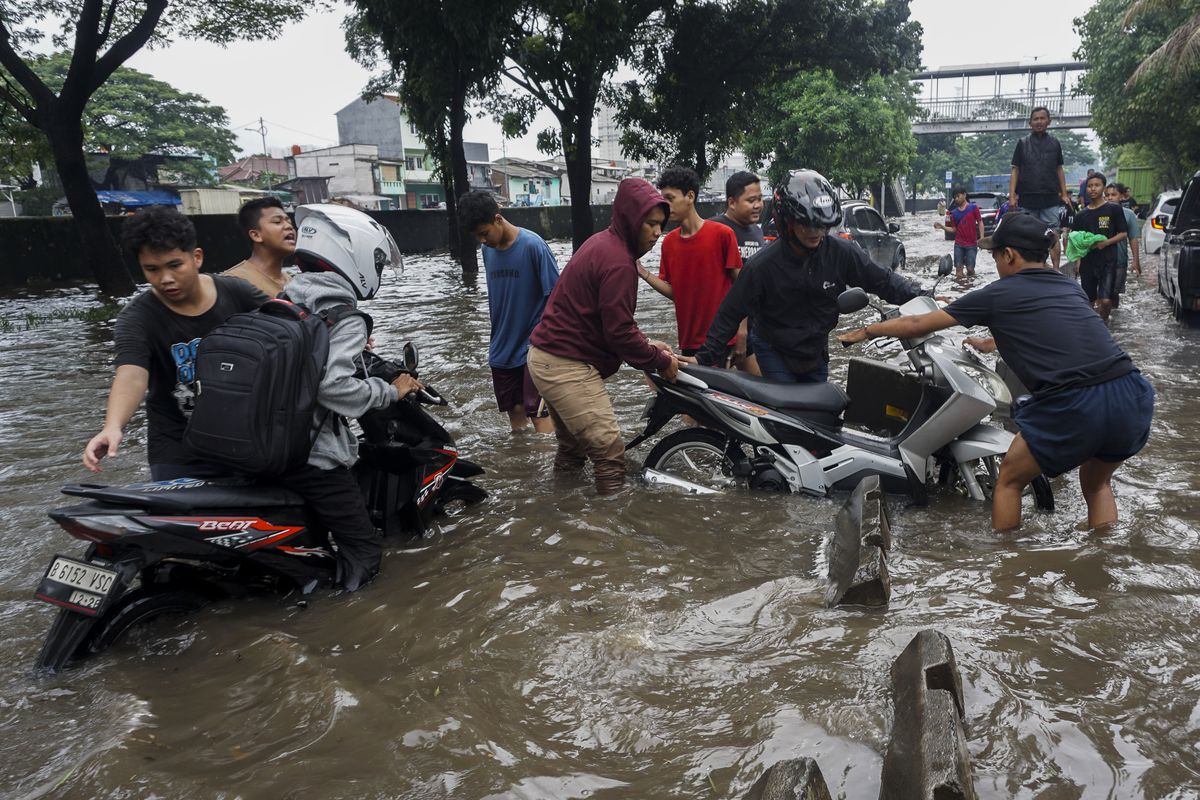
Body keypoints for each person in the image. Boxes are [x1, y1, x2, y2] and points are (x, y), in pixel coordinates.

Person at [838, 212, 1154, 531]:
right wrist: (991, 343)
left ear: (1009, 255)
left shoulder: (998, 294)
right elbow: (1060, 333)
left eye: (995, 255)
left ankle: (1006, 570)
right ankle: (1102, 561)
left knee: (1009, 482)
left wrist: (868, 331)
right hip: (1131, 393)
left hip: (1076, 402)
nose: (996, 262)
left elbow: (918, 323)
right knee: (1097, 486)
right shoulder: (1067, 286)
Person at [276, 204, 422, 591]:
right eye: (376, 259)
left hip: (270, 443)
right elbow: (333, 387)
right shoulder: (344, 316)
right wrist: (390, 389)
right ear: (353, 255)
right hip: (311, 453)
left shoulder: (285, 299)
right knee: (365, 552)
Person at [693, 169, 929, 383]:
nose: (815, 232)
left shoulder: (841, 252)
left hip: (816, 351)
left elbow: (883, 282)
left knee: (820, 417)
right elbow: (729, 314)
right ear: (787, 222)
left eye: (821, 226)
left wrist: (925, 299)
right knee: (790, 418)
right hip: (775, 350)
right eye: (807, 225)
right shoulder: (761, 266)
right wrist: (702, 361)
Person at [83, 208, 268, 480]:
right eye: (152, 270)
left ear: (196, 258)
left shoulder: (238, 293)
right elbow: (131, 376)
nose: (165, 279)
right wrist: (112, 426)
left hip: (244, 435)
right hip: (177, 446)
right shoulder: (136, 318)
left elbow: (290, 329)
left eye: (174, 265)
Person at [527, 178, 685, 495]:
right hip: (565, 366)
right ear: (631, 219)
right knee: (610, 454)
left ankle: (561, 513)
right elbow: (620, 334)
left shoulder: (601, 242)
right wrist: (659, 360)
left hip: (544, 358)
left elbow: (608, 322)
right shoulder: (619, 263)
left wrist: (647, 346)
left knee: (572, 451)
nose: (657, 232)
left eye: (660, 225)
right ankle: (606, 535)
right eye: (650, 224)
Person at [458, 190, 559, 434]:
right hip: (501, 348)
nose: (482, 240)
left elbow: (557, 298)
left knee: (538, 413)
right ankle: (522, 471)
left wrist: (548, 342)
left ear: (498, 219)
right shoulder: (487, 250)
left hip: (534, 348)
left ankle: (552, 471)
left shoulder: (533, 246)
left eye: (484, 233)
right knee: (515, 415)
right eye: (477, 236)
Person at [637, 166, 742, 359]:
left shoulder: (722, 234)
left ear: (690, 196)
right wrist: (642, 272)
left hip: (723, 340)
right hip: (689, 341)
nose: (665, 206)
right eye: (663, 200)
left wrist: (742, 333)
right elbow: (678, 294)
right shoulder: (668, 242)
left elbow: (744, 287)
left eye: (670, 198)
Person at [709, 170, 767, 374]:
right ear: (732, 202)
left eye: (760, 199)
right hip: (727, 328)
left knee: (761, 392)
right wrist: (739, 332)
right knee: (716, 392)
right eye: (751, 200)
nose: (758, 205)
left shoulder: (757, 231)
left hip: (755, 327)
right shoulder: (715, 230)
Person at [1009, 107, 1073, 269]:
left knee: (1053, 234)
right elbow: (1015, 169)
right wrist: (1011, 195)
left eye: (1042, 118)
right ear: (1030, 123)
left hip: (1050, 198)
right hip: (1027, 198)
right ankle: (1033, 268)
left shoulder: (1055, 143)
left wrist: (1064, 194)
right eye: (1035, 119)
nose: (1039, 122)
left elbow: (1059, 168)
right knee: (1028, 236)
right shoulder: (1022, 143)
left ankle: (1056, 269)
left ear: (1049, 122)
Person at [1074, 172, 1128, 322]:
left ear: (1103, 188)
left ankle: (1104, 324)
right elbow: (1077, 240)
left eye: (1096, 185)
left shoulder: (1113, 209)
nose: (1093, 189)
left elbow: (1123, 234)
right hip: (1087, 262)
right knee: (1089, 302)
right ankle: (1093, 328)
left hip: (1108, 261)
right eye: (1090, 186)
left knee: (1105, 301)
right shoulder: (1081, 215)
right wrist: (1078, 261)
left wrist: (1106, 242)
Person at [223, 197, 296, 297]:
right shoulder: (234, 282)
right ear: (256, 235)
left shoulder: (292, 282)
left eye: (289, 221)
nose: (289, 226)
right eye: (277, 222)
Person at [934, 187, 985, 280]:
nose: (956, 199)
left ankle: (970, 286)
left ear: (964, 195)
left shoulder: (973, 208)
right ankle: (960, 289)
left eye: (958, 196)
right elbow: (954, 229)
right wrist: (942, 226)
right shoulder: (954, 213)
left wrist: (981, 238)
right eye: (955, 197)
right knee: (958, 271)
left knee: (970, 269)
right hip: (959, 245)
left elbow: (980, 222)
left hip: (972, 244)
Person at [1104, 183, 1141, 309]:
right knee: (1103, 293)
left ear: (1121, 197)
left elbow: (1133, 239)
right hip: (1101, 260)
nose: (1110, 198)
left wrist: (1136, 261)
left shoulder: (1129, 214)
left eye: (1113, 195)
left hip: (1120, 261)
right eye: (1107, 195)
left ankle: (1113, 319)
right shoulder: (1098, 213)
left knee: (1114, 292)